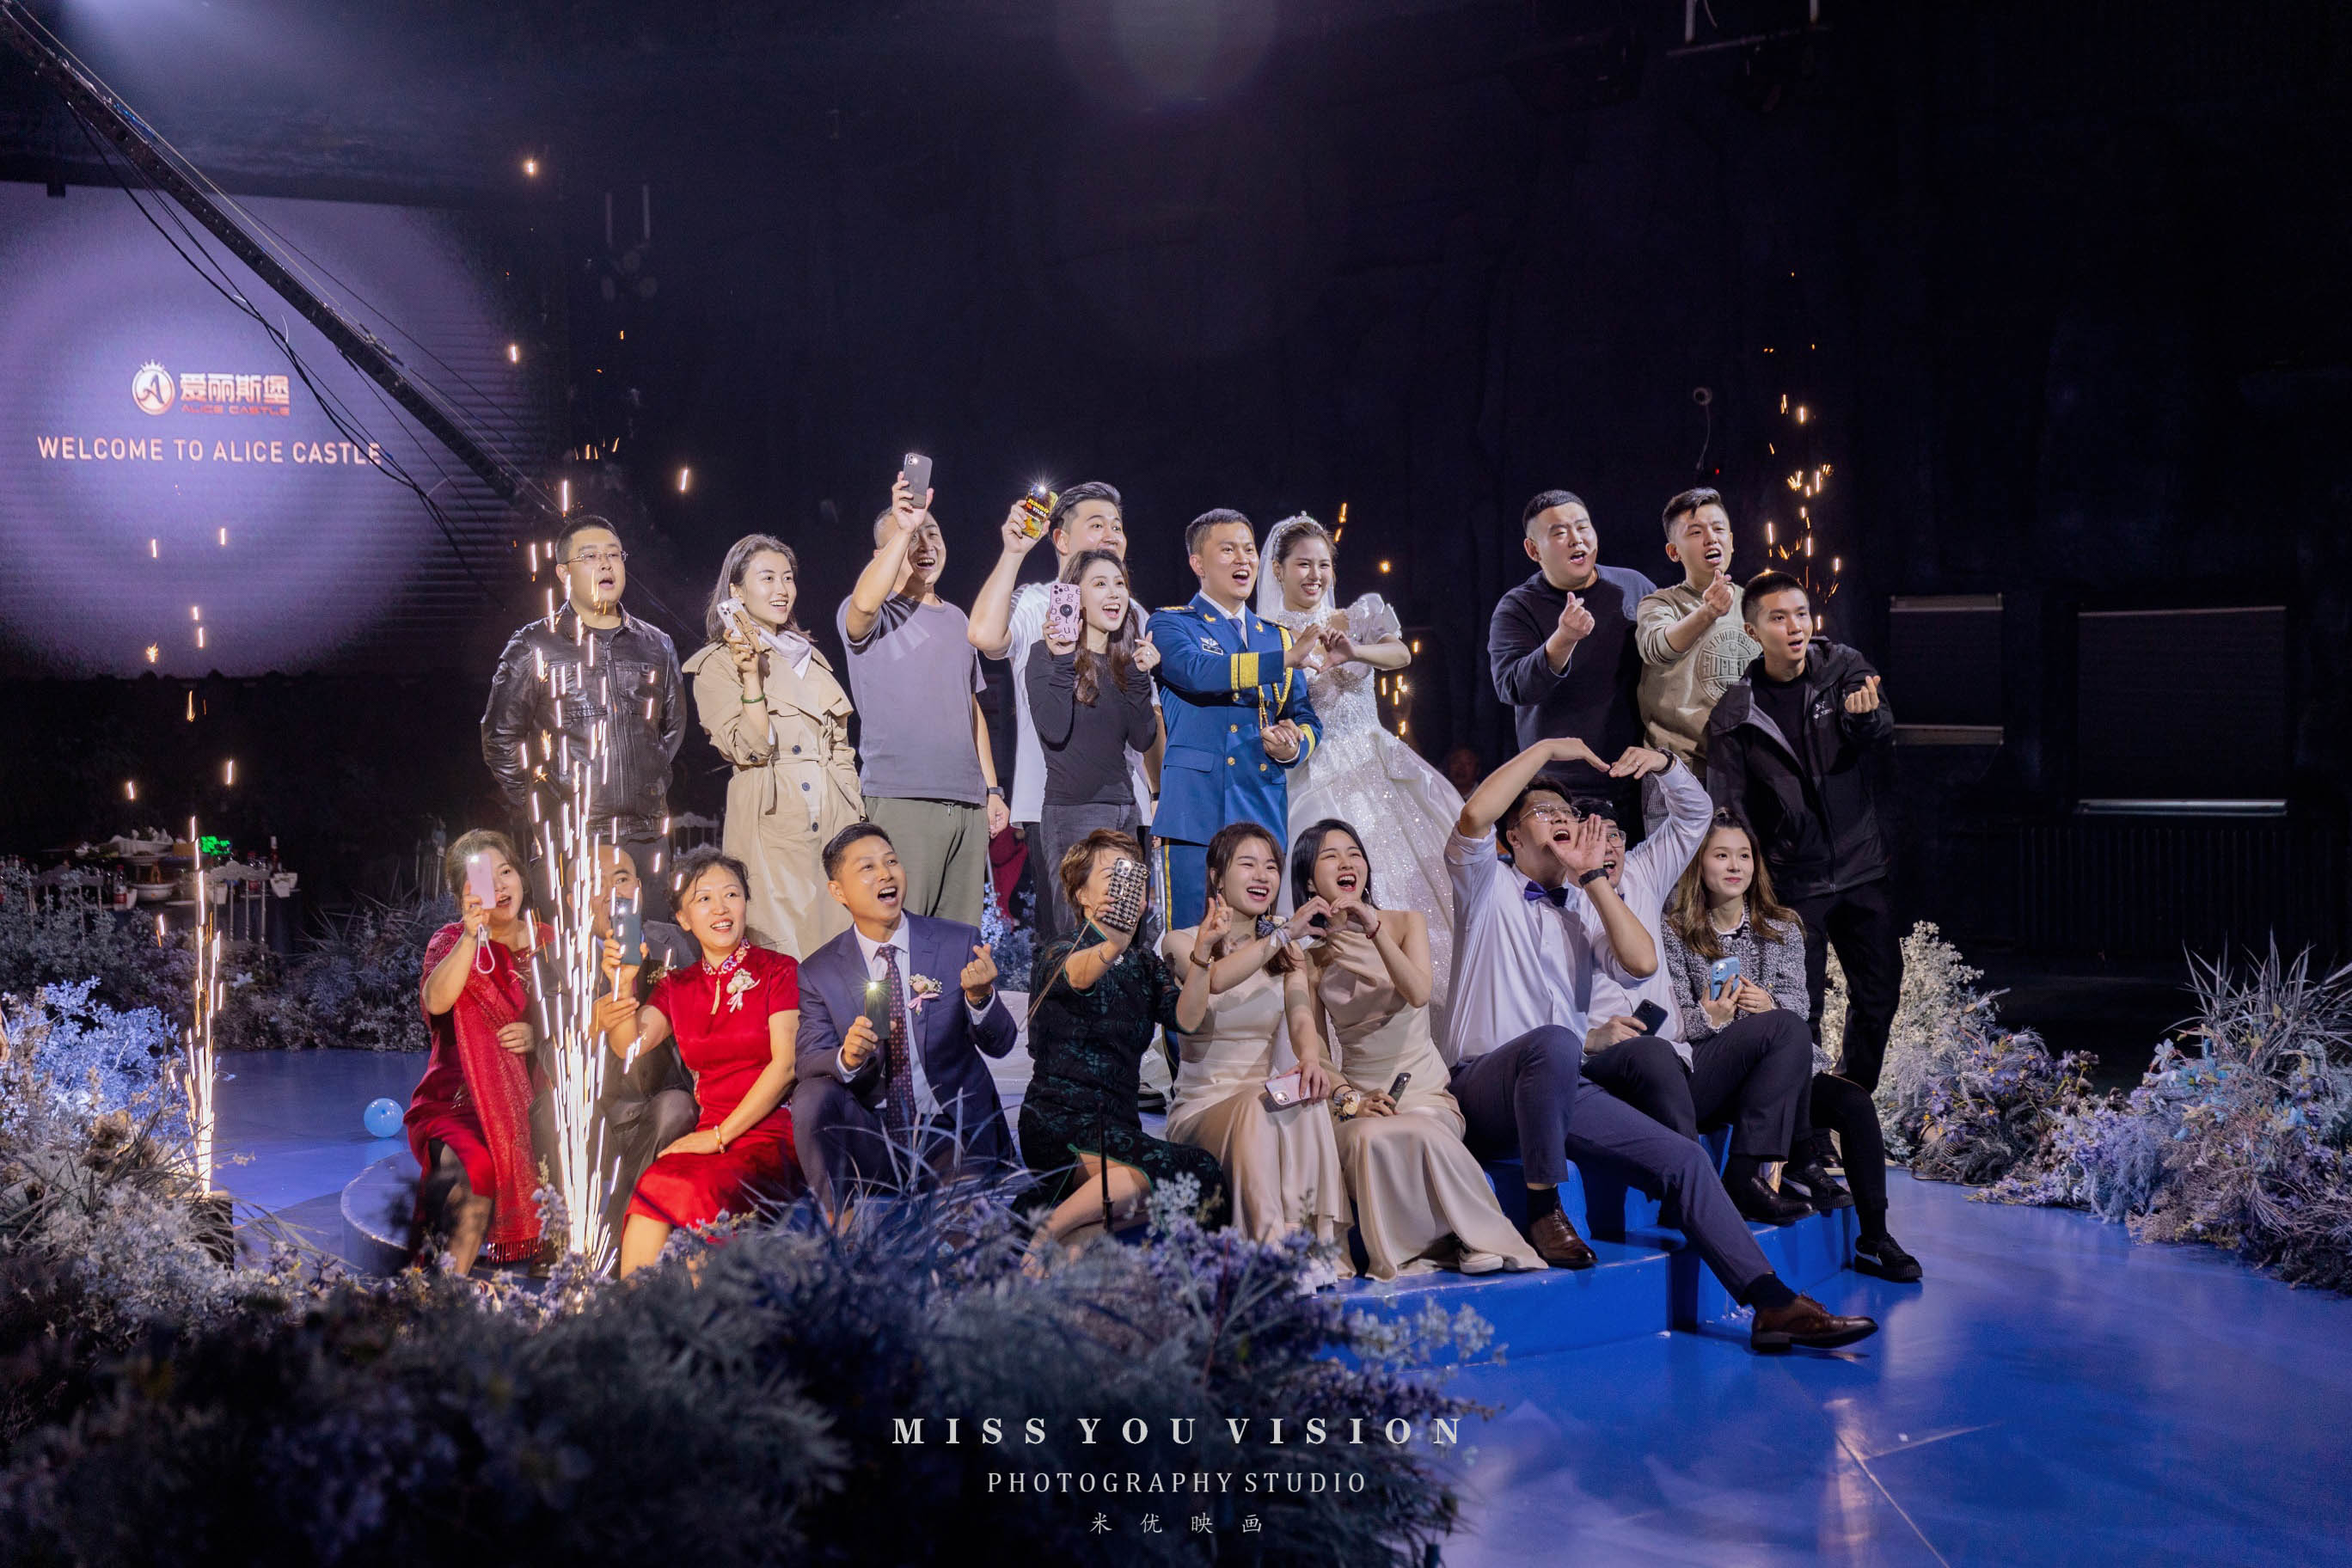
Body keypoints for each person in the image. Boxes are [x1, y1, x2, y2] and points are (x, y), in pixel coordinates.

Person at [1448, 738, 1877, 1351]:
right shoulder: (1485, 885)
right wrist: (1546, 750)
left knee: (1684, 1158)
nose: (1563, 822)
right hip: (1487, 1085)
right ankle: (1543, 1210)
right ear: (1512, 837)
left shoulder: (1586, 910)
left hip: (1564, 1084)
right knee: (1553, 1043)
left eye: (1569, 816)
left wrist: (1592, 880)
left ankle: (1771, 1302)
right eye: (1545, 815)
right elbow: (1472, 816)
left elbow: (1642, 961)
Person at [1663, 817, 1921, 1282]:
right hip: (1714, 1066)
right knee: (1786, 1031)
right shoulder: (1675, 931)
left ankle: (1875, 1235)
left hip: (1782, 1068)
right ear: (1698, 864)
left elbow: (1799, 1006)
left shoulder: (1781, 927)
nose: (1735, 866)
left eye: (1744, 856)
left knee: (1853, 1102)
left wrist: (1769, 1005)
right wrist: (1710, 1015)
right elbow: (1675, 1020)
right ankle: (1787, 1161)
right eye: (1721, 855)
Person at [1290, 819, 1542, 1279]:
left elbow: (1418, 991)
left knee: (1422, 1127)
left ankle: (1474, 1236)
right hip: (1363, 1101)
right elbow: (1319, 1053)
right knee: (1366, 1138)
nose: (1347, 863)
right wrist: (1351, 1101)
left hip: (1424, 1091)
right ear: (1309, 881)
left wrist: (1374, 929)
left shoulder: (1406, 923)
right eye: (1331, 856)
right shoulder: (1311, 960)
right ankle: (1438, 1242)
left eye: (1354, 853)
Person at [1578, 782, 1834, 1225]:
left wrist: (1664, 765)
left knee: (1789, 1029)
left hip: (1686, 1062)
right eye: (1595, 838)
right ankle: (1693, 1192)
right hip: (1622, 1066)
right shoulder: (1562, 914)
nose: (1609, 848)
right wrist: (1589, 1038)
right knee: (1654, 1053)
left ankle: (1747, 1176)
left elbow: (1693, 810)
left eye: (1616, 836)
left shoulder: (1641, 884)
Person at [1254, 514, 1465, 1012]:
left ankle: (1434, 1004)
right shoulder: (1267, 637)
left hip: (1376, 763)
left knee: (1422, 880)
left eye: (1323, 564)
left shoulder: (1356, 614)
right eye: (1302, 564)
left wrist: (1355, 651)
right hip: (1313, 772)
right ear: (1278, 570)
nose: (1315, 575)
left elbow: (1399, 655)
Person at [1705, 569, 1903, 1095]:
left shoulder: (1843, 667)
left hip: (1862, 867)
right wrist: (1747, 881)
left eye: (1801, 614)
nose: (1795, 627)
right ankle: (1804, 1121)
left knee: (1880, 992)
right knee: (1800, 1007)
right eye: (1779, 618)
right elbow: (1729, 807)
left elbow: (1880, 733)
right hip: (1794, 881)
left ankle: (1849, 1096)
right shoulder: (1733, 711)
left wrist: (1864, 719)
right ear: (1752, 632)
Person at [1018, 828, 1229, 1271]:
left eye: (1131, 874)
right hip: (1060, 1121)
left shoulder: (1143, 963)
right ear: (1081, 894)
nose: (1124, 884)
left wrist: (1203, 952)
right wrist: (1113, 943)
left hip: (1119, 1127)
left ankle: (1066, 1244)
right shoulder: (1058, 949)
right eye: (1111, 874)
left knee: (1201, 1177)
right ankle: (1048, 1232)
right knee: (1162, 1176)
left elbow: (1188, 1019)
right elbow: (1078, 976)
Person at [967, 481, 1162, 941]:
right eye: (1097, 525)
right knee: (1069, 939)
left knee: (1124, 938)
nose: (1111, 535)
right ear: (1060, 539)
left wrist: (1158, 793)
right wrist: (1014, 552)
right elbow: (983, 635)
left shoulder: (1129, 610)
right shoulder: (1036, 602)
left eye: (1117, 526)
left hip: (1128, 805)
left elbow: (1149, 714)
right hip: (1054, 804)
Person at [789, 824, 1018, 1216]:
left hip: (947, 1131)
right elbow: (809, 1060)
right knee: (811, 1094)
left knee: (960, 1227)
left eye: (891, 861)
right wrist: (848, 1057)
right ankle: (838, 1224)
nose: (885, 874)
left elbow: (1002, 1044)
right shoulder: (819, 971)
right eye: (868, 867)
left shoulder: (955, 942)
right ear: (838, 891)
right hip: (871, 1133)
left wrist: (981, 998)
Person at [597, 849, 802, 1277]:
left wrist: (718, 1137)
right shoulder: (677, 985)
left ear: (745, 903)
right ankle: (631, 1311)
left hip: (769, 1132)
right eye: (704, 898)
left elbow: (785, 1067)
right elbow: (628, 1046)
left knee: (698, 1189)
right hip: (708, 1133)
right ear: (684, 919)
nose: (721, 908)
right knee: (654, 1185)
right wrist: (622, 984)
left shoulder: (779, 970)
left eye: (732, 894)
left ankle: (708, 1314)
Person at [1161, 824, 1351, 1270]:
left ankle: (1306, 1243)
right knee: (1256, 1105)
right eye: (1247, 864)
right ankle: (1267, 1249)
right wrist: (1282, 936)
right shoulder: (1182, 942)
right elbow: (1215, 981)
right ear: (1216, 876)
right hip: (1204, 1106)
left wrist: (1309, 1060)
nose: (1262, 876)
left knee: (1303, 1094)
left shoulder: (1285, 947)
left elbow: (1301, 1014)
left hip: (1263, 1098)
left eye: (1271, 867)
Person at [482, 516, 686, 918]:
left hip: (645, 837)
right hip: (571, 840)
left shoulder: (656, 644)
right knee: (575, 956)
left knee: (650, 950)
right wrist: (545, 804)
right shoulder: (534, 644)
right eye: (590, 556)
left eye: (614, 555)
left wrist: (648, 783)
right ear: (564, 573)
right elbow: (500, 739)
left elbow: (672, 729)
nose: (606, 564)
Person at [836, 471, 1010, 927]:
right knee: (900, 932)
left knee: (959, 938)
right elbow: (863, 606)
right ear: (883, 555)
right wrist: (905, 527)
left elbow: (970, 708)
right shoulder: (872, 613)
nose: (925, 544)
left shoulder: (959, 620)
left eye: (932, 533)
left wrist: (992, 790)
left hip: (967, 804)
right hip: (903, 799)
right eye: (911, 536)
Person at [681, 533, 861, 960]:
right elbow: (751, 748)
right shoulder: (716, 663)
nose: (782, 589)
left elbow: (841, 746)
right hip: (774, 821)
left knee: (842, 952)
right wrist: (750, 678)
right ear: (737, 591)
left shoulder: (809, 657)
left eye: (788, 578)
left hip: (834, 819)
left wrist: (852, 807)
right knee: (784, 954)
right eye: (767, 578)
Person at [1145, 510, 1321, 930]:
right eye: (1228, 550)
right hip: (1195, 810)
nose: (1243, 559)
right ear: (1198, 563)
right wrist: (1283, 660)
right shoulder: (1171, 623)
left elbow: (1305, 718)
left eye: (1249, 549)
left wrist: (1292, 746)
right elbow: (1197, 672)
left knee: (1256, 944)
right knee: (1190, 943)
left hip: (1260, 806)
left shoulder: (1275, 636)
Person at [407, 830, 545, 1274]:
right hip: (456, 1102)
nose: (500, 886)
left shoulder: (549, 942)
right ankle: (446, 1294)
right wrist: (472, 936)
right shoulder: (450, 941)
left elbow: (575, 1021)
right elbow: (436, 1001)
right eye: (485, 878)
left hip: (531, 1104)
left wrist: (539, 1036)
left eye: (506, 871)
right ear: (462, 894)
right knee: (475, 1169)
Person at [1486, 490, 1658, 816]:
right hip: (1561, 791)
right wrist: (1563, 639)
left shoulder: (1634, 586)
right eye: (1560, 533)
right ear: (1533, 550)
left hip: (1638, 780)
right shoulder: (1517, 607)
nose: (1576, 539)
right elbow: (1512, 688)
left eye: (1582, 527)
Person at [1024, 548, 1162, 941]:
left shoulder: (1124, 663)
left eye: (1119, 584)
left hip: (1125, 813)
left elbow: (1143, 738)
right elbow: (1053, 730)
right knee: (1080, 938)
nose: (1114, 593)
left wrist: (1140, 676)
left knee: (1124, 934)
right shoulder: (1045, 654)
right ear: (1074, 597)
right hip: (1074, 814)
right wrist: (1063, 658)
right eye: (1100, 584)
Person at [582, 843, 700, 1239]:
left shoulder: (676, 943)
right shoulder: (556, 958)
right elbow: (549, 1054)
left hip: (662, 1097)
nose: (611, 893)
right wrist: (591, 1025)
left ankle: (615, 1239)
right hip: (597, 1107)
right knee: (547, 1109)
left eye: (621, 879)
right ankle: (559, 1237)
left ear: (639, 889)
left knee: (675, 1108)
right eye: (595, 884)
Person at [1634, 487, 1760, 775]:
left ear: (1731, 542)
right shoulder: (1660, 603)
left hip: (1744, 767)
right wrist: (1708, 612)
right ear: (1673, 552)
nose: (1711, 538)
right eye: (1695, 532)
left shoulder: (1757, 605)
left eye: (1718, 529)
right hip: (1678, 766)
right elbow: (1657, 648)